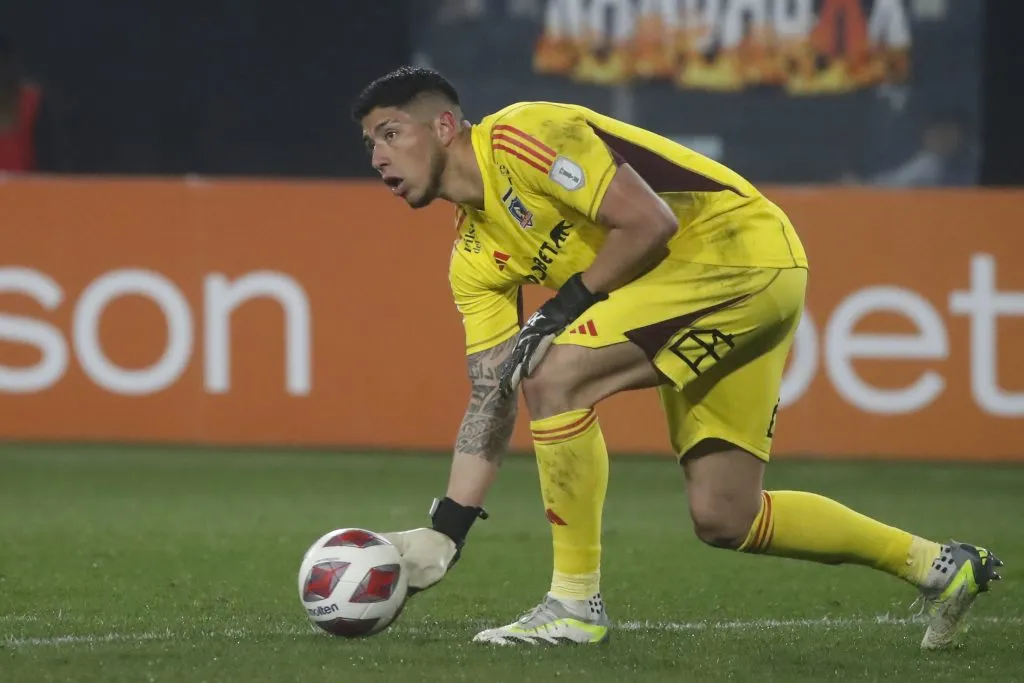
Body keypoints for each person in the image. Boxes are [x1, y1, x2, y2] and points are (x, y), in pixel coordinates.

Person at [351, 66, 1001, 649]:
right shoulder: (472, 258)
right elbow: (492, 391)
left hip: (737, 252)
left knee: (555, 372)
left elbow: (650, 222)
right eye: (371, 146)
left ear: (442, 125)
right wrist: (450, 529)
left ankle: (574, 603)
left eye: (389, 134)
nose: (379, 157)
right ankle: (940, 565)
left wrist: (563, 305)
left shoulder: (523, 135)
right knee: (727, 514)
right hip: (705, 292)